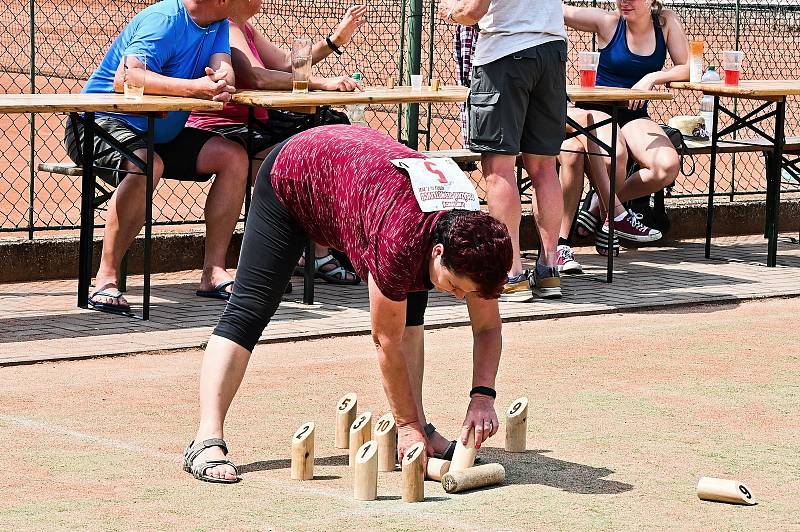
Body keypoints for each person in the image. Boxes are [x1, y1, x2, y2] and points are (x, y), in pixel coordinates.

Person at [183, 125, 512, 483]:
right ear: (438, 252)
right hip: (296, 175)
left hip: (359, 183)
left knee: (412, 312)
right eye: (454, 286)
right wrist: (403, 426)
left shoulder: (478, 243)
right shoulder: (399, 238)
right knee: (250, 308)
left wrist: (483, 396)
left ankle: (420, 424)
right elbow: (386, 341)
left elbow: (487, 327)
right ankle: (206, 439)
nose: (458, 297)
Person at [64, 0, 252, 313]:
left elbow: (224, 69)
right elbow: (126, 79)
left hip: (160, 131)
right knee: (146, 164)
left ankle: (213, 272)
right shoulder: (164, 20)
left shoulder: (217, 22)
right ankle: (105, 279)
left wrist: (223, 81)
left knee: (233, 157)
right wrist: (195, 88)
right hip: (99, 123)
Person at [186, 2, 368, 285]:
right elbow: (257, 77)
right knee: (300, 158)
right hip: (230, 127)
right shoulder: (229, 29)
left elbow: (286, 62)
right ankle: (305, 256)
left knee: (326, 138)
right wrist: (320, 83)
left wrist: (335, 40)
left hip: (256, 125)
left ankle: (314, 253)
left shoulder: (244, 28)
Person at [440, 0, 567, 300]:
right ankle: (550, 269)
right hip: (551, 52)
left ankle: (512, 273)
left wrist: (451, 11)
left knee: (499, 169)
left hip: (505, 53)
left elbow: (473, 10)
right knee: (545, 168)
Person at [563, 0, 689, 251]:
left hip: (633, 115)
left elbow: (688, 68)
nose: (624, 2)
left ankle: (600, 205)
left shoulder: (665, 22)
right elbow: (559, 11)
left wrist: (653, 77)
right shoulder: (608, 22)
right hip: (596, 111)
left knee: (667, 166)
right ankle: (612, 222)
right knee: (614, 154)